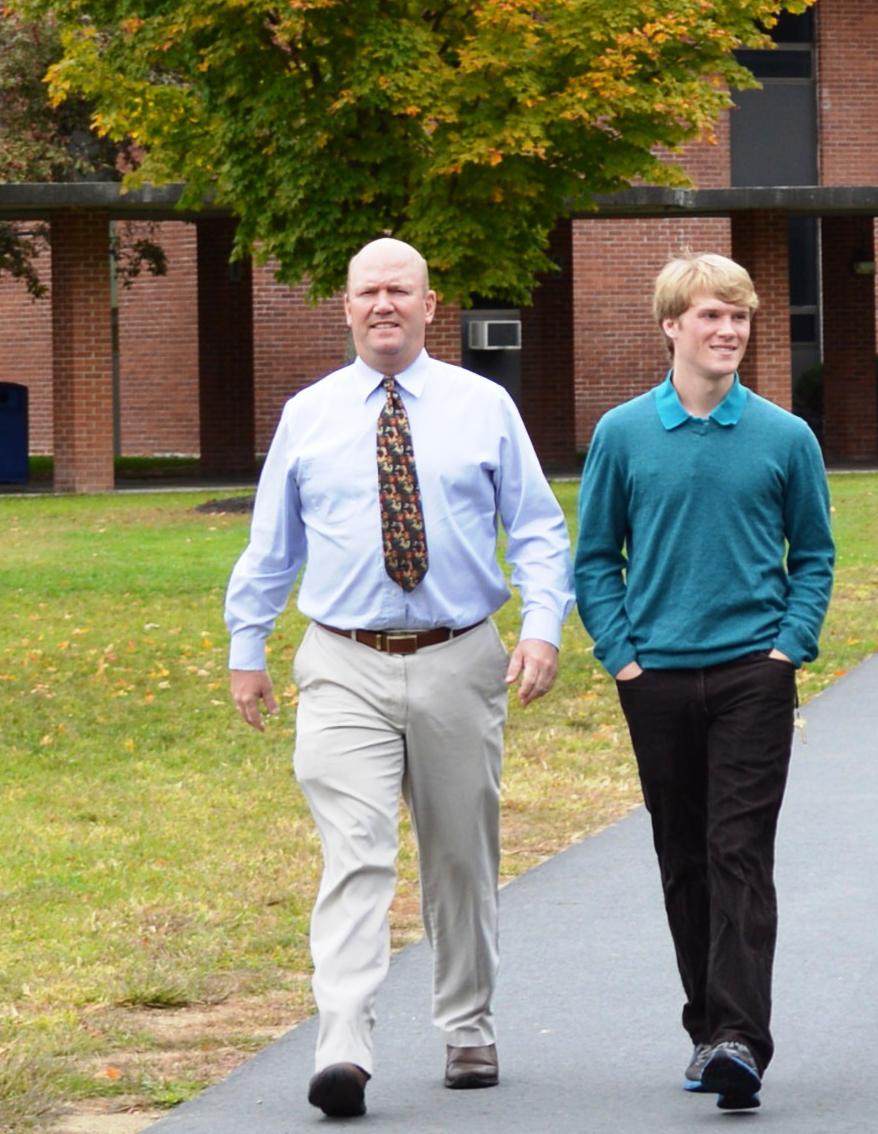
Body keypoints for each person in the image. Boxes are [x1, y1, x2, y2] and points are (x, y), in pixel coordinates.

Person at [224, 237, 573, 1120]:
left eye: (400, 291)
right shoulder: (308, 414)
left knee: (461, 855)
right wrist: (247, 644)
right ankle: (343, 1043)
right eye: (367, 292)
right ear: (345, 307)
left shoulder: (483, 405)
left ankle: (467, 1025)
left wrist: (540, 629)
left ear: (430, 304)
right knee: (356, 851)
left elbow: (535, 528)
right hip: (344, 661)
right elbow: (273, 546)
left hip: (460, 656)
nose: (383, 304)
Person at [574, 252, 834, 1112]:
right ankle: (705, 1028)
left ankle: (739, 1038)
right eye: (711, 317)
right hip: (656, 681)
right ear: (672, 327)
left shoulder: (785, 437)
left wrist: (788, 648)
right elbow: (595, 560)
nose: (728, 332)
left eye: (740, 318)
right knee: (682, 857)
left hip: (752, 676)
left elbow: (817, 555)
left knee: (738, 852)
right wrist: (623, 658)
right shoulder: (621, 435)